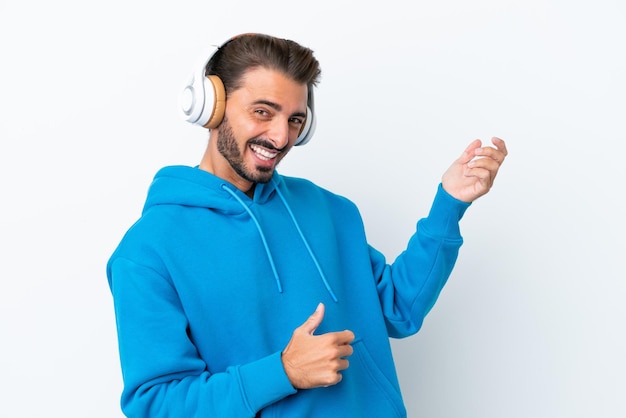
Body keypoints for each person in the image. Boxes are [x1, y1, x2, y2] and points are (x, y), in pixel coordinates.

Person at [106, 33, 508, 417]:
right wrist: (282, 372)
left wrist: (449, 205)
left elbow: (397, 311)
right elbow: (156, 404)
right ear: (211, 106)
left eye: (296, 119)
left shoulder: (329, 210)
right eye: (262, 111)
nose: (281, 136)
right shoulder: (148, 251)